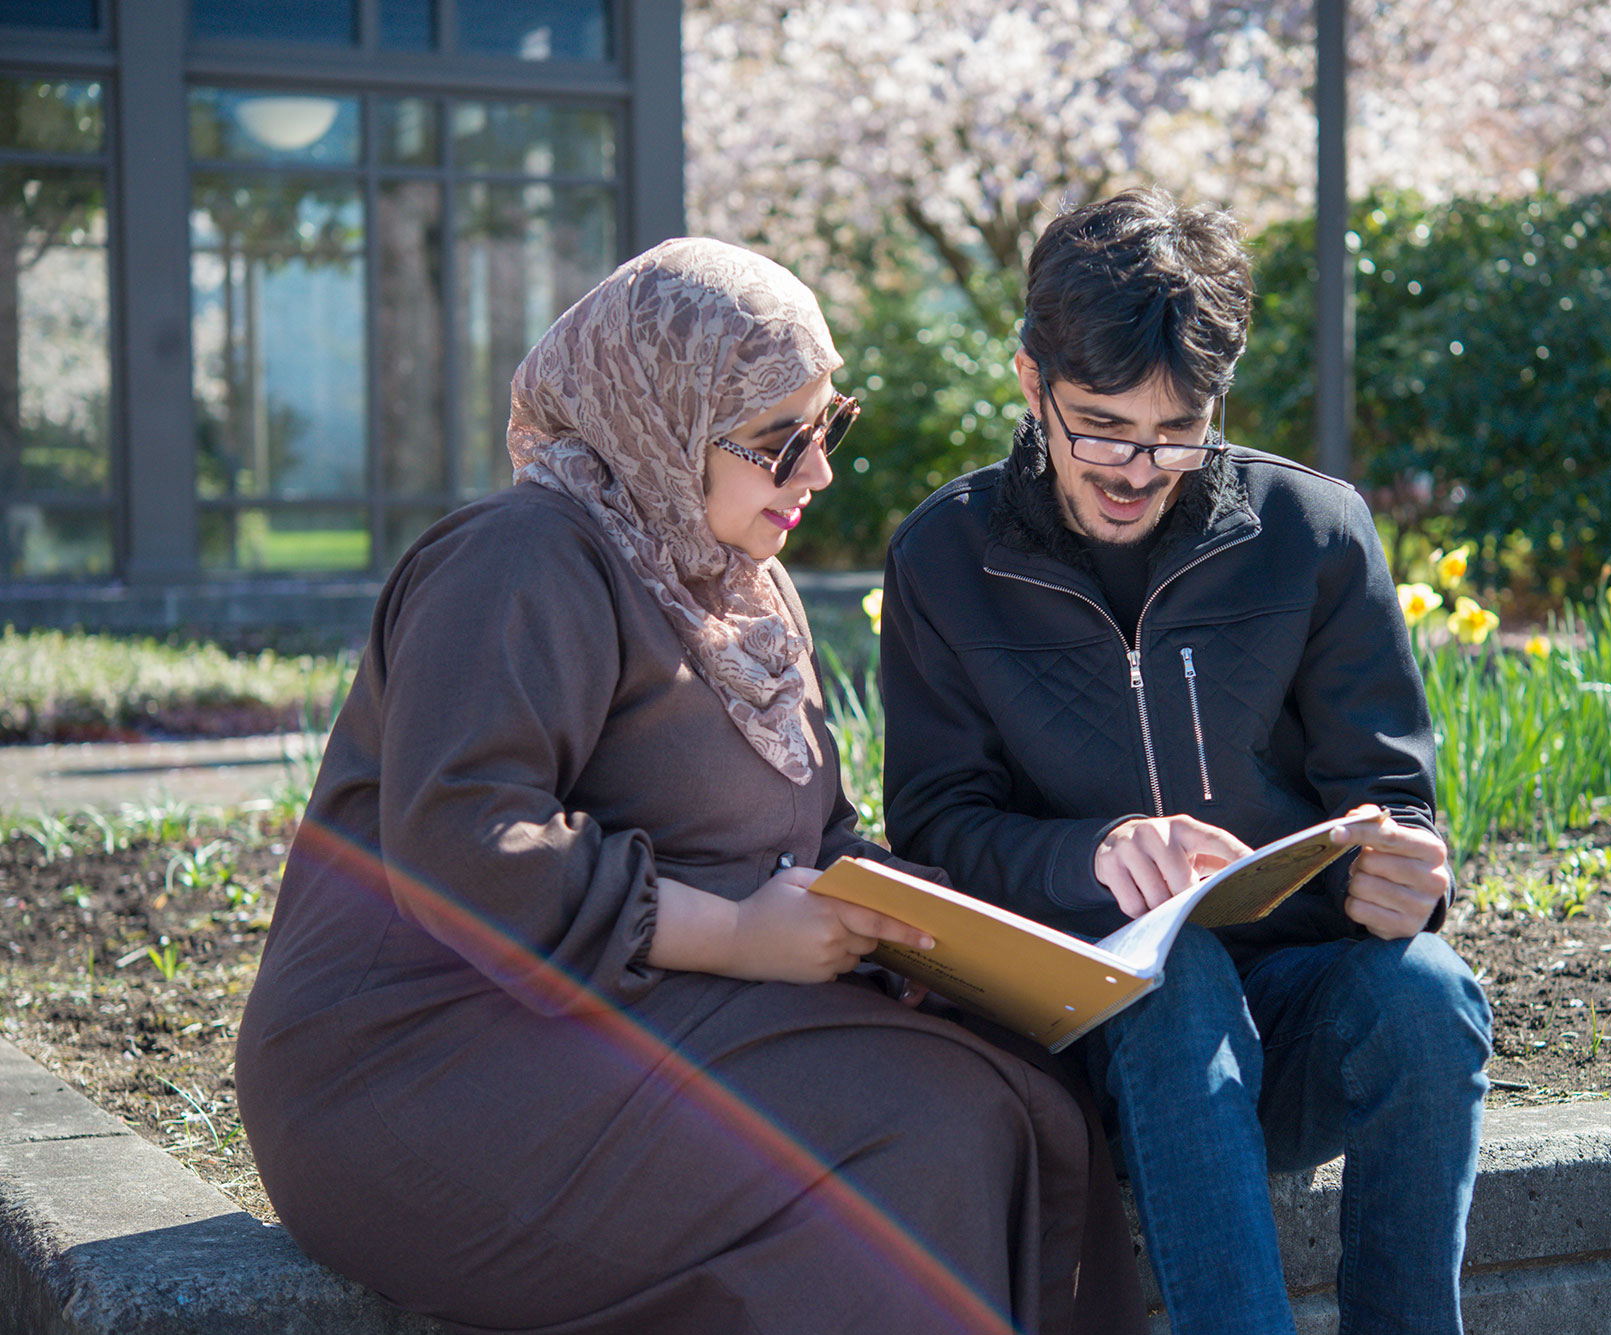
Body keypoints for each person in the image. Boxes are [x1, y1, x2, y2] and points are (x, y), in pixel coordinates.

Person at [235, 237, 1145, 1335]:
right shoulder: (519, 558)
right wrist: (733, 934)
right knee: (923, 1129)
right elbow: (465, 845)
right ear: (655, 412)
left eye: (827, 427)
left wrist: (924, 932)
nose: (817, 473)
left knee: (1016, 1092)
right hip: (415, 1064)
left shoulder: (744, 597)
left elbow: (816, 838)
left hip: (631, 1020)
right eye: (778, 441)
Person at [879, 188, 1494, 1335]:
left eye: (1175, 431)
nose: (1134, 467)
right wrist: (1098, 854)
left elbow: (1390, 796)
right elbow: (935, 828)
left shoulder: (1311, 535)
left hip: (1290, 1014)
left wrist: (1412, 871)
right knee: (1173, 978)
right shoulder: (942, 558)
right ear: (1030, 385)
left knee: (1427, 995)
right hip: (1081, 1042)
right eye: (1099, 426)